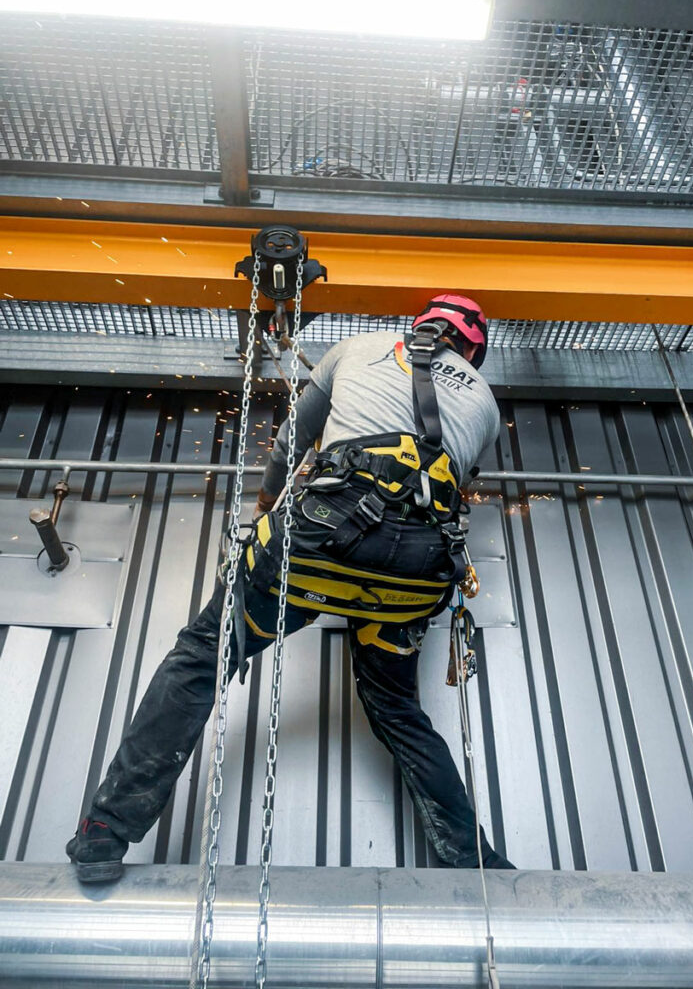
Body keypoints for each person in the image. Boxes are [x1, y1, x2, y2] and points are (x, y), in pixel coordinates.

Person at [66, 294, 515, 882]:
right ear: (473, 349)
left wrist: (264, 506)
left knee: (202, 657)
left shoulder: (358, 347)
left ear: (420, 324)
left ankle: (106, 831)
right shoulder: (485, 402)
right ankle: (477, 859)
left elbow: (289, 441)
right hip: (412, 580)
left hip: (314, 547)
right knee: (399, 711)